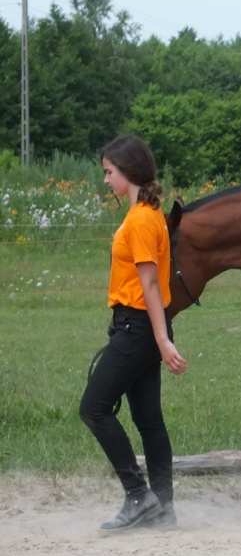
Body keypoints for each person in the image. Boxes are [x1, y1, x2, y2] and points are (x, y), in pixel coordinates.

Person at [79, 134, 188, 532]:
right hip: (141, 326)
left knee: (93, 408)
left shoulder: (142, 219)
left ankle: (140, 497)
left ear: (128, 171)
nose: (106, 180)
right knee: (148, 419)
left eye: (109, 172)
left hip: (137, 326)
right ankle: (163, 506)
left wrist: (160, 338)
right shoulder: (149, 213)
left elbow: (152, 285)